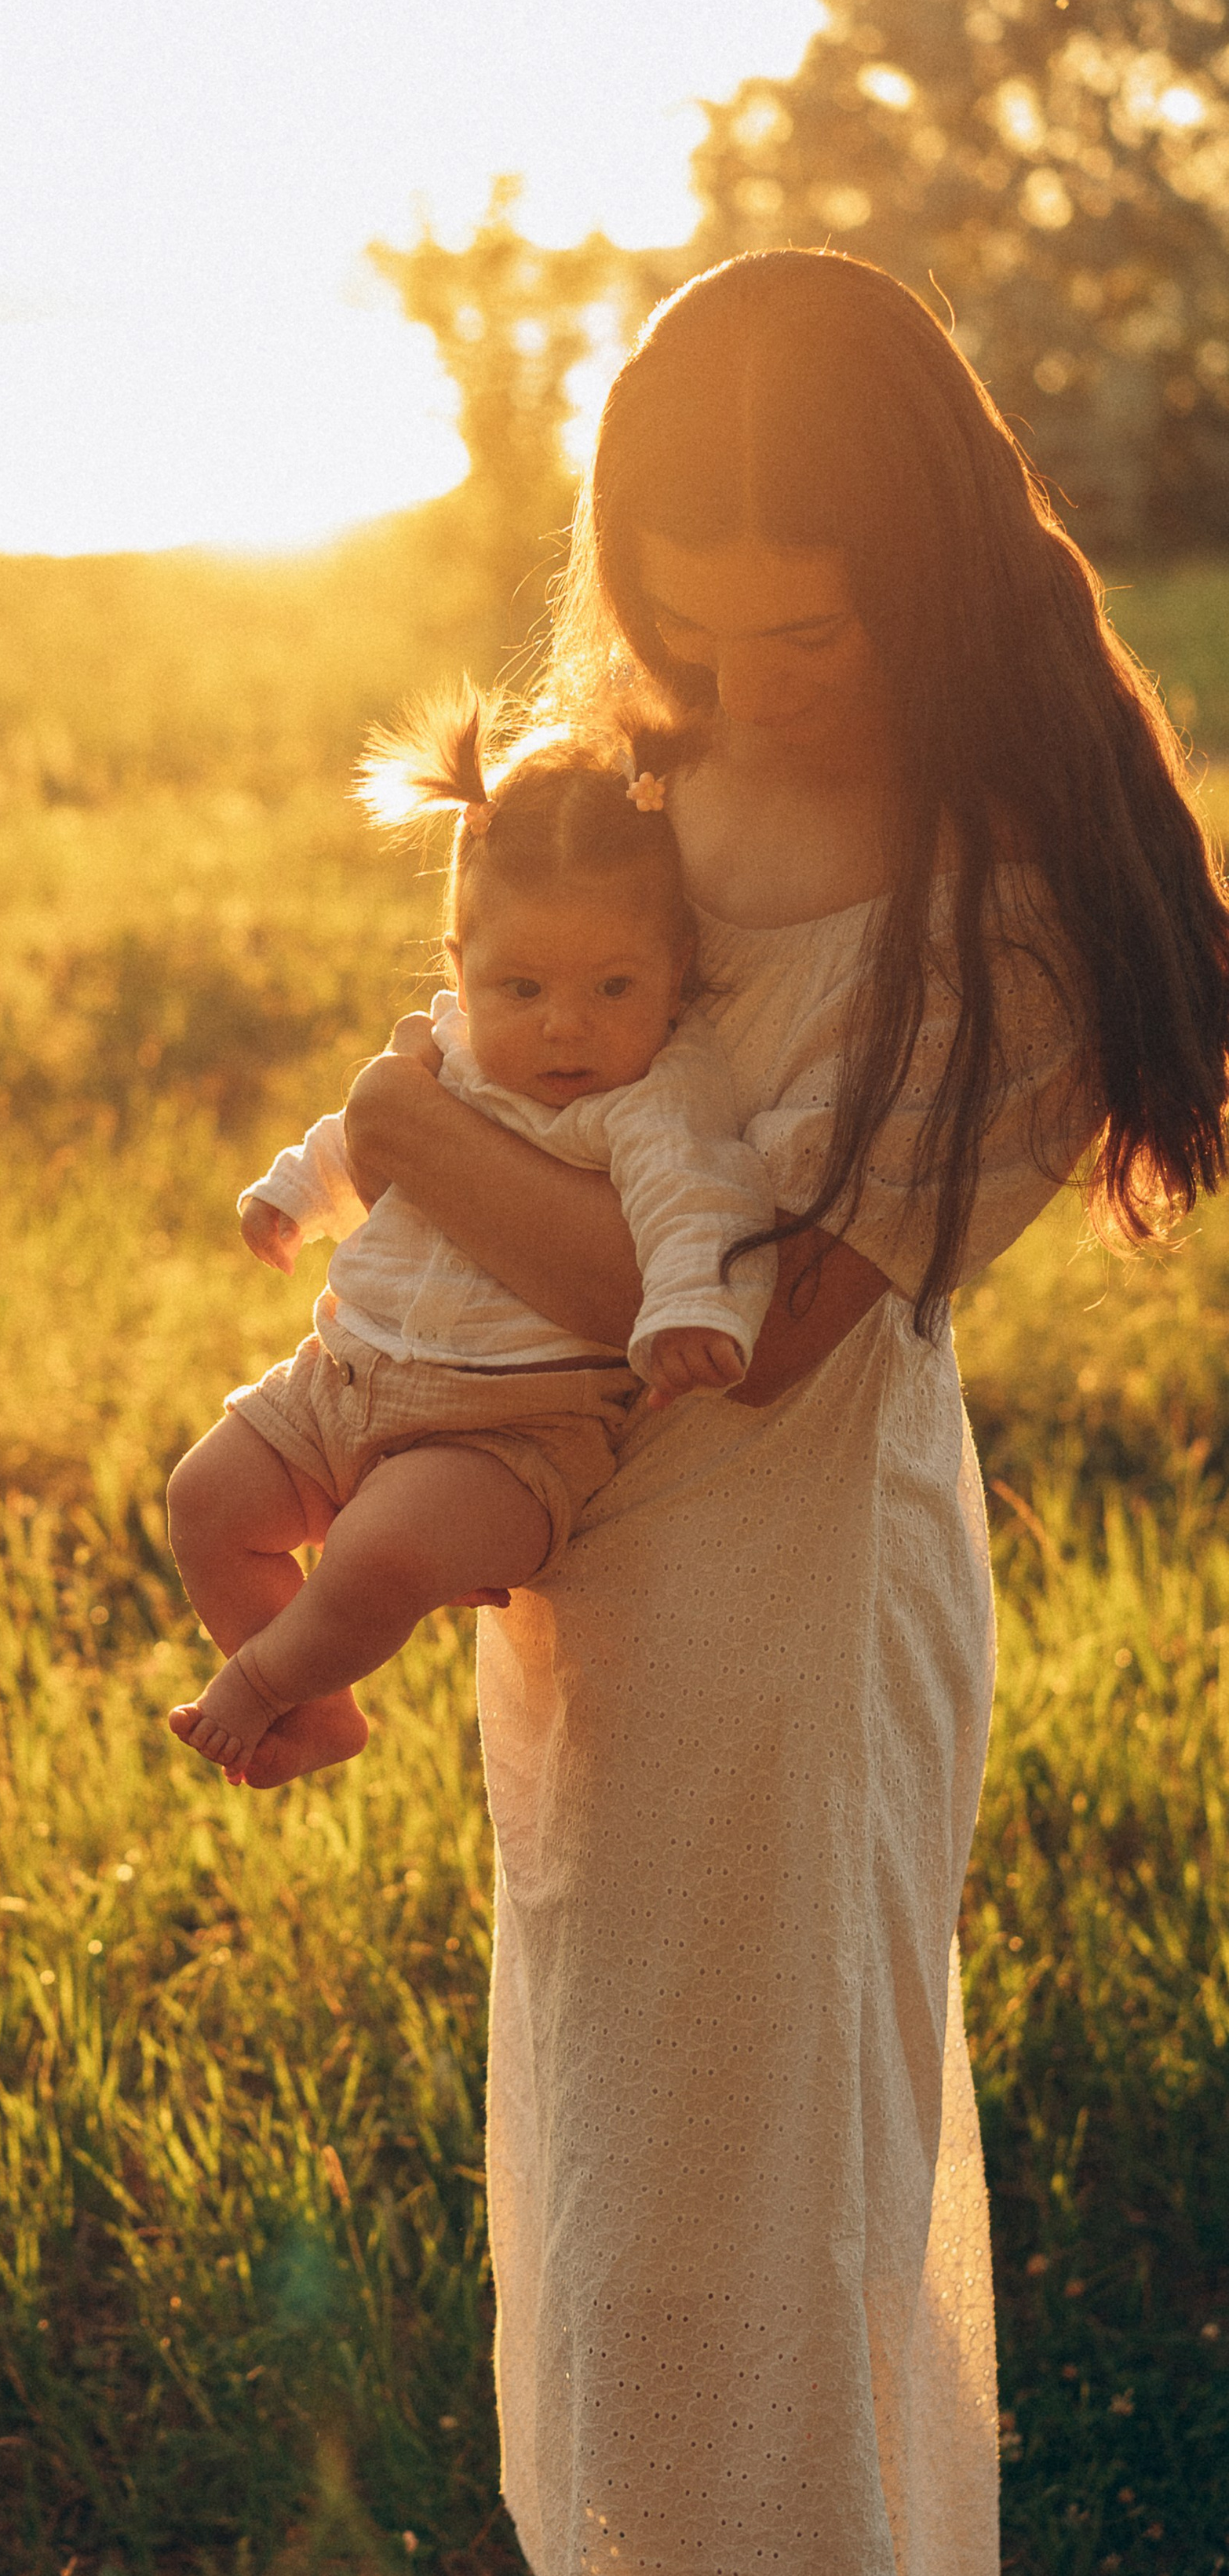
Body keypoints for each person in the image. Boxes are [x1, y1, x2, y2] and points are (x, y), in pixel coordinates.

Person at [334, 251, 1229, 2576]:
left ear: (923, 561)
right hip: (590, 1594)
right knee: (681, 2233)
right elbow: (529, 1099)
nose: (740, 679)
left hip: (801, 1609)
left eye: (805, 626)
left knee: (772, 2228)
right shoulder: (648, 794)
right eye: (688, 622)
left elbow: (733, 1334)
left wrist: (404, 1130)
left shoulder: (1010, 908)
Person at [166, 709, 773, 1786]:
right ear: (463, 964)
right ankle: (325, 1710)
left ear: (675, 971)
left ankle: (266, 1686)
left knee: (382, 1552)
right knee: (206, 1497)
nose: (565, 1028)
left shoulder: (655, 1096)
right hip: (347, 1374)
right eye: (523, 990)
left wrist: (689, 1309)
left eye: (612, 988)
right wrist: (294, 1197)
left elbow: (695, 1202)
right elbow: (359, 1132)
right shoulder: (448, 1047)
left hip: (513, 1430)